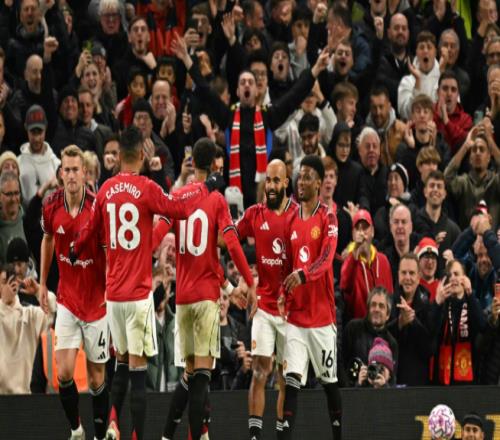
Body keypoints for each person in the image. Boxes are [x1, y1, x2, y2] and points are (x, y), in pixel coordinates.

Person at [71, 126, 220, 440]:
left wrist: (74, 250)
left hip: (113, 296)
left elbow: (87, 233)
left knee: (121, 365)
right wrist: (204, 187)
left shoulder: (106, 189)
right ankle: (136, 435)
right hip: (139, 294)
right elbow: (179, 209)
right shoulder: (147, 188)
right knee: (138, 375)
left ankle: (113, 425)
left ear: (118, 157)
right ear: (142, 154)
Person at [159, 138, 255, 440]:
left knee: (189, 375)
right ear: (214, 164)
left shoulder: (177, 196)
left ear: (191, 163)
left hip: (183, 299)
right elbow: (231, 244)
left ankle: (168, 435)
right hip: (205, 298)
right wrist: (248, 281)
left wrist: (229, 286)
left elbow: (161, 235)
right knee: (201, 377)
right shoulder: (215, 199)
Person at [39, 145, 109, 440]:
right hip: (67, 298)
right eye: (66, 170)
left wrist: (110, 290)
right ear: (60, 173)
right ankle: (77, 430)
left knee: (96, 379)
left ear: (85, 173)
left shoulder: (97, 208)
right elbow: (47, 240)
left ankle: (101, 434)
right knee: (64, 373)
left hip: (96, 303)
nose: (70, 175)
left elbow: (108, 252)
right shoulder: (50, 205)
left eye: (75, 170)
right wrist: (43, 283)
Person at [278, 155, 341, 440]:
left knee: (329, 383)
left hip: (322, 318)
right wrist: (283, 293)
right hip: (296, 317)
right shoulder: (290, 219)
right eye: (299, 176)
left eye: (307, 177)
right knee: (291, 381)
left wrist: (304, 275)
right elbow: (286, 265)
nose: (300, 181)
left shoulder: (328, 217)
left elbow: (327, 258)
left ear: (318, 183)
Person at [236, 159, 293, 440]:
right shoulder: (254, 215)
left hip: (290, 311)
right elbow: (227, 239)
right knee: (260, 370)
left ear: (286, 183)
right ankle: (255, 436)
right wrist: (245, 279)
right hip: (263, 306)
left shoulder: (297, 216)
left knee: (285, 377)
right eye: (268, 180)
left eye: (276, 180)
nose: (270, 185)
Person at [0, 263, 56, 394]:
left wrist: (38, 291)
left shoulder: (30, 315)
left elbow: (53, 310)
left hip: (26, 397)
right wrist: (4, 303)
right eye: (3, 282)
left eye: (10, 281)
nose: (7, 286)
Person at [429, 260, 487, 385]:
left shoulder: (471, 303)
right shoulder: (442, 304)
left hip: (467, 380)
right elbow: (430, 330)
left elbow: (482, 326)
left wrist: (470, 293)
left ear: (464, 278)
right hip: (442, 380)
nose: (453, 278)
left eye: (456, 274)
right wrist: (437, 303)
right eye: (449, 275)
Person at [444, 124, 500, 229]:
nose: (478, 153)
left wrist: (490, 141)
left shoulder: (495, 182)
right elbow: (447, 178)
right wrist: (466, 146)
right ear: (470, 159)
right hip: (467, 237)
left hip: (492, 238)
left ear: (489, 157)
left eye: (482, 149)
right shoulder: (463, 182)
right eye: (474, 150)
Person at [388, 253, 432, 386]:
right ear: (398, 275)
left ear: (418, 277)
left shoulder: (427, 305)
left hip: (419, 382)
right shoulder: (388, 302)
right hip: (393, 378)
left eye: (412, 273)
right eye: (404, 273)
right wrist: (399, 323)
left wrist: (413, 322)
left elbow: (429, 348)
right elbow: (382, 339)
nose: (407, 277)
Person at [341, 209, 393, 320]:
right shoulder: (349, 262)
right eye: (357, 229)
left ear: (372, 232)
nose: (361, 233)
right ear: (353, 234)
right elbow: (345, 286)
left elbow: (389, 296)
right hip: (359, 326)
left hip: (383, 324)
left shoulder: (383, 260)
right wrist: (354, 253)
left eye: (365, 228)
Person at [342, 287, 398, 387]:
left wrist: (384, 386)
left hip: (380, 394)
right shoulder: (353, 328)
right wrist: (355, 386)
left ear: (388, 315)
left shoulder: (392, 343)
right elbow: (342, 365)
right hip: (354, 392)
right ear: (368, 309)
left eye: (381, 306)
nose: (376, 309)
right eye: (373, 305)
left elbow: (392, 380)